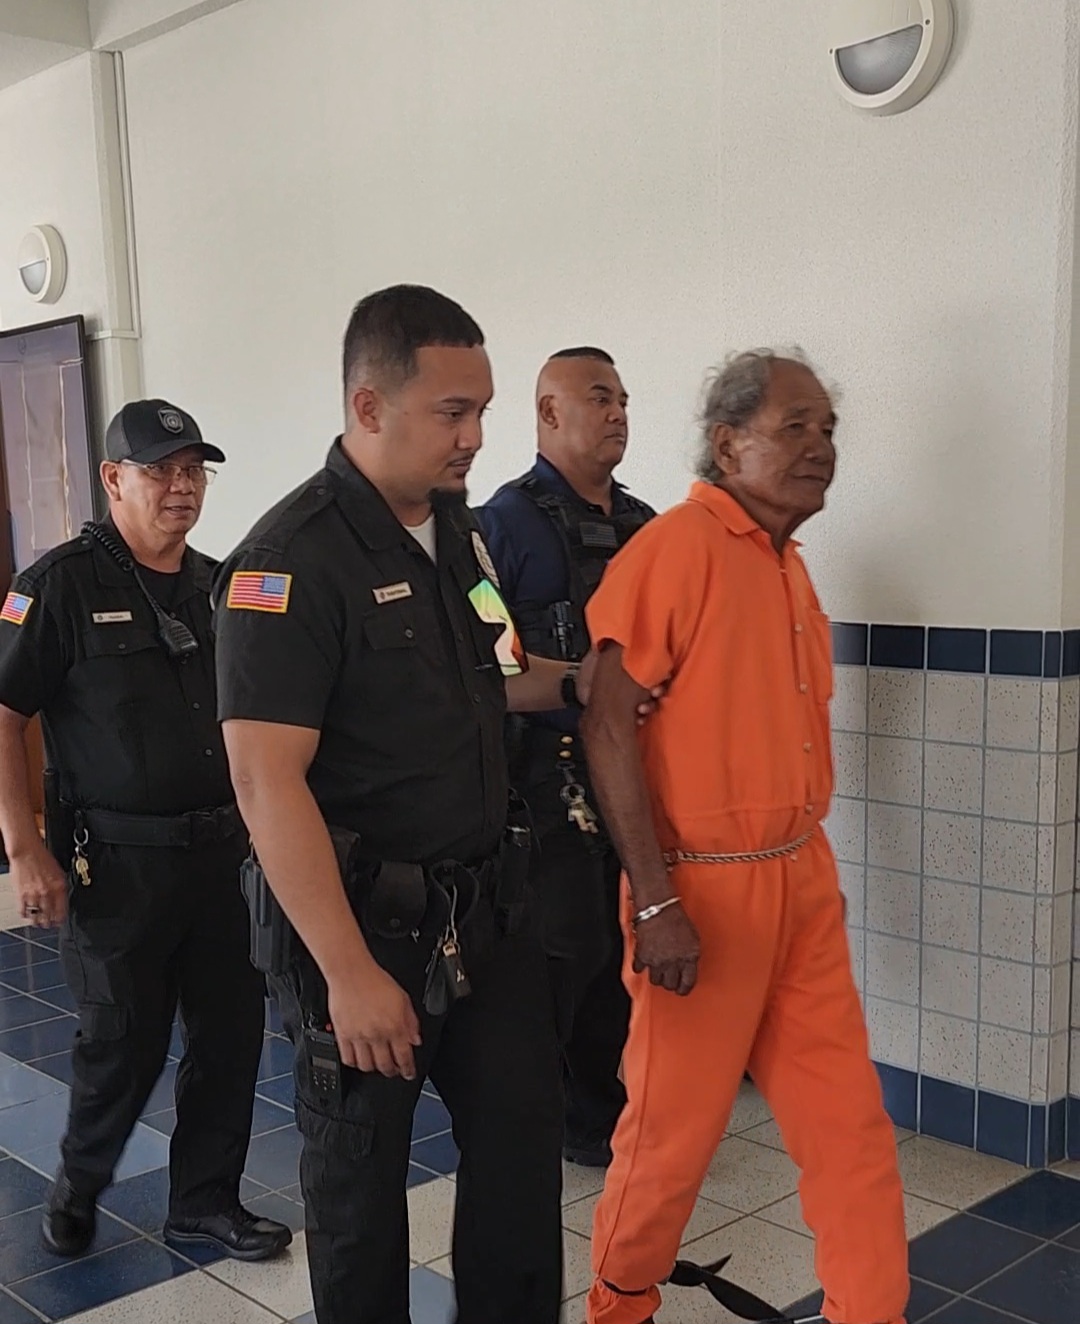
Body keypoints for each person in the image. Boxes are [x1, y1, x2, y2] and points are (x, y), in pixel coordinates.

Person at [215, 285, 618, 1324]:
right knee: (359, 1199)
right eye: (453, 412)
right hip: (362, 934)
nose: (478, 435)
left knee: (522, 1173)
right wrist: (348, 975)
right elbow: (266, 782)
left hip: (490, 916)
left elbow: (500, 665)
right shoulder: (286, 562)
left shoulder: (460, 534)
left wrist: (580, 682)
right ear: (368, 406)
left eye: (482, 409)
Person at [580, 351, 909, 1324]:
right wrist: (656, 898)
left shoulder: (787, 565)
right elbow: (605, 722)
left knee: (848, 1127)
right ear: (730, 444)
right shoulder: (676, 549)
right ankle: (617, 1310)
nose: (820, 448)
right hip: (699, 896)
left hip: (801, 881)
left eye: (829, 431)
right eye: (795, 427)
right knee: (671, 1141)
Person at [0, 400, 291, 1262]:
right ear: (112, 479)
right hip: (118, 867)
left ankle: (204, 1201)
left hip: (226, 861)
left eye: (194, 470)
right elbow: (5, 714)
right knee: (120, 1047)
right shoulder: (52, 588)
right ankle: (79, 1183)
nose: (181, 486)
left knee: (230, 1039)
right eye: (161, 469)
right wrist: (25, 847)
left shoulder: (222, 583)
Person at [477, 347, 654, 1168]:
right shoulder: (494, 530)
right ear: (548, 414)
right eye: (598, 398)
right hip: (545, 788)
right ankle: (544, 1121)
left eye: (622, 399)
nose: (618, 412)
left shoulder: (647, 528)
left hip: (640, 780)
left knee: (624, 951)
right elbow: (488, 668)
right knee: (563, 957)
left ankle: (605, 1113)